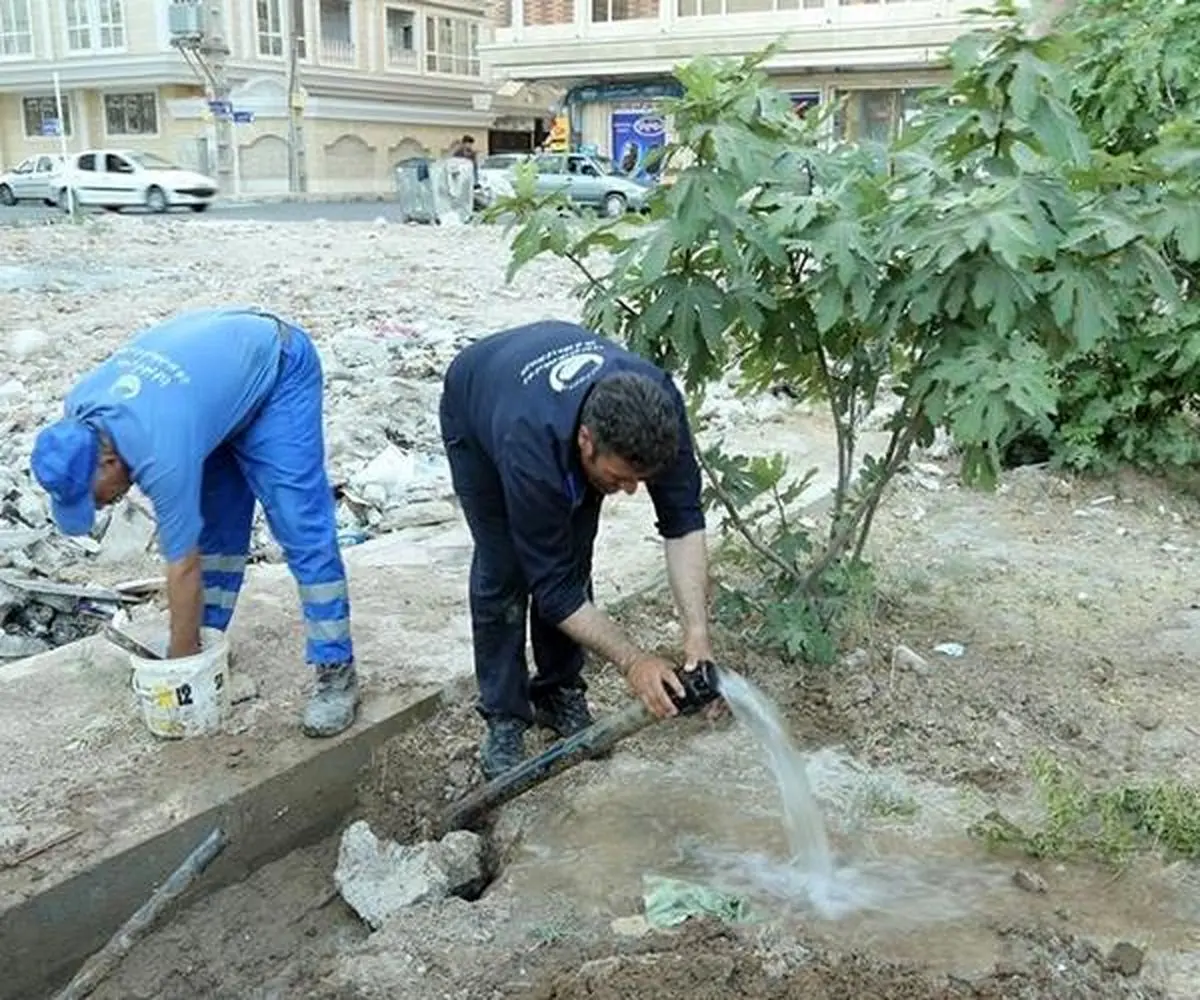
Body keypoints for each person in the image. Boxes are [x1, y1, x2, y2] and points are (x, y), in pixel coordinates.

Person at [29, 307, 359, 738]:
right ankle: (208, 642)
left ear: (109, 462)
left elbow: (181, 566)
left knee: (300, 525)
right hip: (207, 392)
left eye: (95, 496)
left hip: (277, 367)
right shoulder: (81, 408)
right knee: (216, 531)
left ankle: (336, 670)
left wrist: (179, 669)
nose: (103, 506)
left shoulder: (160, 451)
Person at [439, 320, 714, 778]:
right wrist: (634, 661)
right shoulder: (529, 444)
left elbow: (684, 524)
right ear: (586, 441)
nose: (628, 492)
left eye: (640, 480)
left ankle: (558, 691)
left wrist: (698, 635)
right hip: (478, 401)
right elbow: (553, 588)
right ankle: (505, 715)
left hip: (549, 397)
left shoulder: (661, 410)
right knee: (504, 566)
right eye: (619, 477)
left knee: (574, 550)